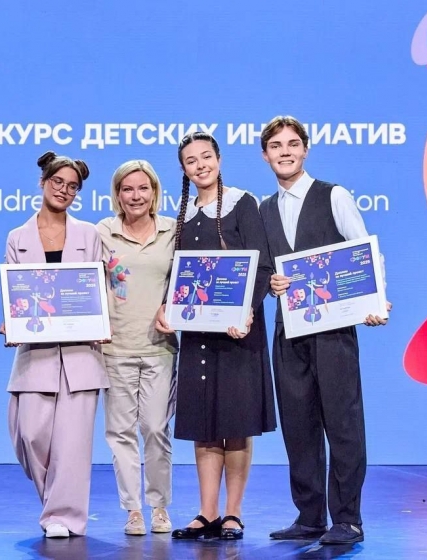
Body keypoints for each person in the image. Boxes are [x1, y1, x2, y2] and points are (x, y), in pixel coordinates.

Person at [258, 115, 389, 545]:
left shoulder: (334, 196)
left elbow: (364, 251)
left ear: (305, 149)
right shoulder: (264, 208)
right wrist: (272, 283)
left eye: (292, 144)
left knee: (343, 423)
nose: (285, 152)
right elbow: (265, 270)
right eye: (276, 146)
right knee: (298, 427)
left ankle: (348, 519)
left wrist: (375, 302)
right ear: (265, 155)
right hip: (288, 331)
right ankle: (310, 516)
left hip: (334, 333)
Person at [155, 132, 276, 541]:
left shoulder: (244, 203)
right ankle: (207, 513)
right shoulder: (184, 214)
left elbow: (262, 267)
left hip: (239, 333)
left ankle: (233, 513)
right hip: (198, 335)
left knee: (236, 425)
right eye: (191, 161)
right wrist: (166, 306)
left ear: (219, 159)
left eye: (206, 156)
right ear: (184, 170)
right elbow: (180, 273)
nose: (200, 165)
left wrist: (247, 311)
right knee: (204, 425)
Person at [1, 151, 109, 538]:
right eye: (58, 182)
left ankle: (63, 516)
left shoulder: (89, 235)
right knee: (29, 435)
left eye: (72, 186)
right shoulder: (17, 237)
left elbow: (99, 288)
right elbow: (15, 292)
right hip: (36, 353)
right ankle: (57, 503)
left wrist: (101, 320)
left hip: (80, 353)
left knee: (73, 445)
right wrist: (11, 320)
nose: (64, 190)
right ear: (43, 182)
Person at [96, 160, 178, 536]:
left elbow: (185, 280)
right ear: (117, 194)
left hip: (160, 348)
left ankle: (159, 506)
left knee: (156, 430)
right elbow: (86, 284)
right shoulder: (102, 232)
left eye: (143, 188)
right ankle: (133, 510)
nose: (136, 196)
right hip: (115, 348)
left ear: (154, 192)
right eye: (127, 189)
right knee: (120, 434)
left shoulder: (172, 231)